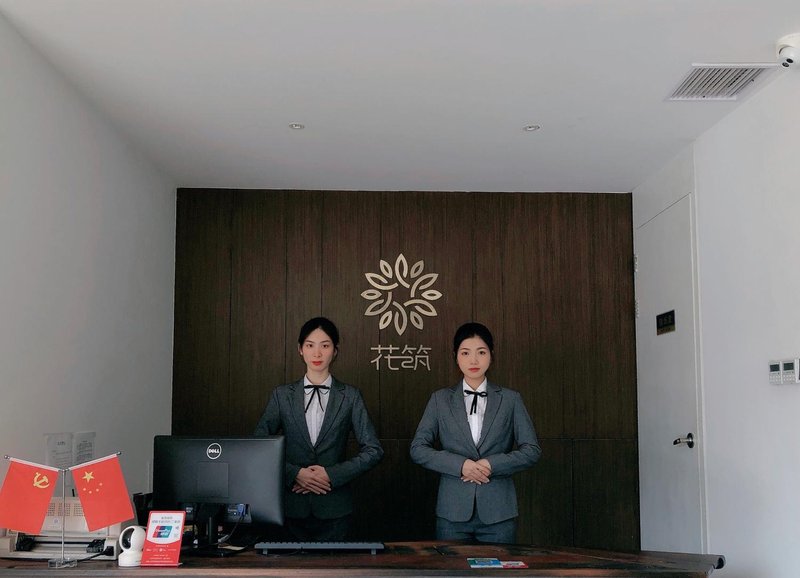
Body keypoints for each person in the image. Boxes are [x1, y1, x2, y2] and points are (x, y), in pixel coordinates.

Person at [410, 322, 541, 543]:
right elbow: (418, 449)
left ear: (491, 355)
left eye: (481, 352)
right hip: (452, 512)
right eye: (465, 353)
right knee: (451, 566)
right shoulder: (440, 400)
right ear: (455, 356)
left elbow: (532, 450)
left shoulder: (510, 399)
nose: (473, 360)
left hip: (499, 513)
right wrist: (461, 465)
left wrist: (492, 464)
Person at [254, 317, 383, 541]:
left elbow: (374, 450)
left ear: (335, 351)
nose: (317, 353)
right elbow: (258, 445)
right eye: (310, 345)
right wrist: (295, 473)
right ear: (300, 350)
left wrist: (331, 475)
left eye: (325, 345)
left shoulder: (350, 396)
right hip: (290, 507)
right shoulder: (282, 395)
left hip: (335, 509)